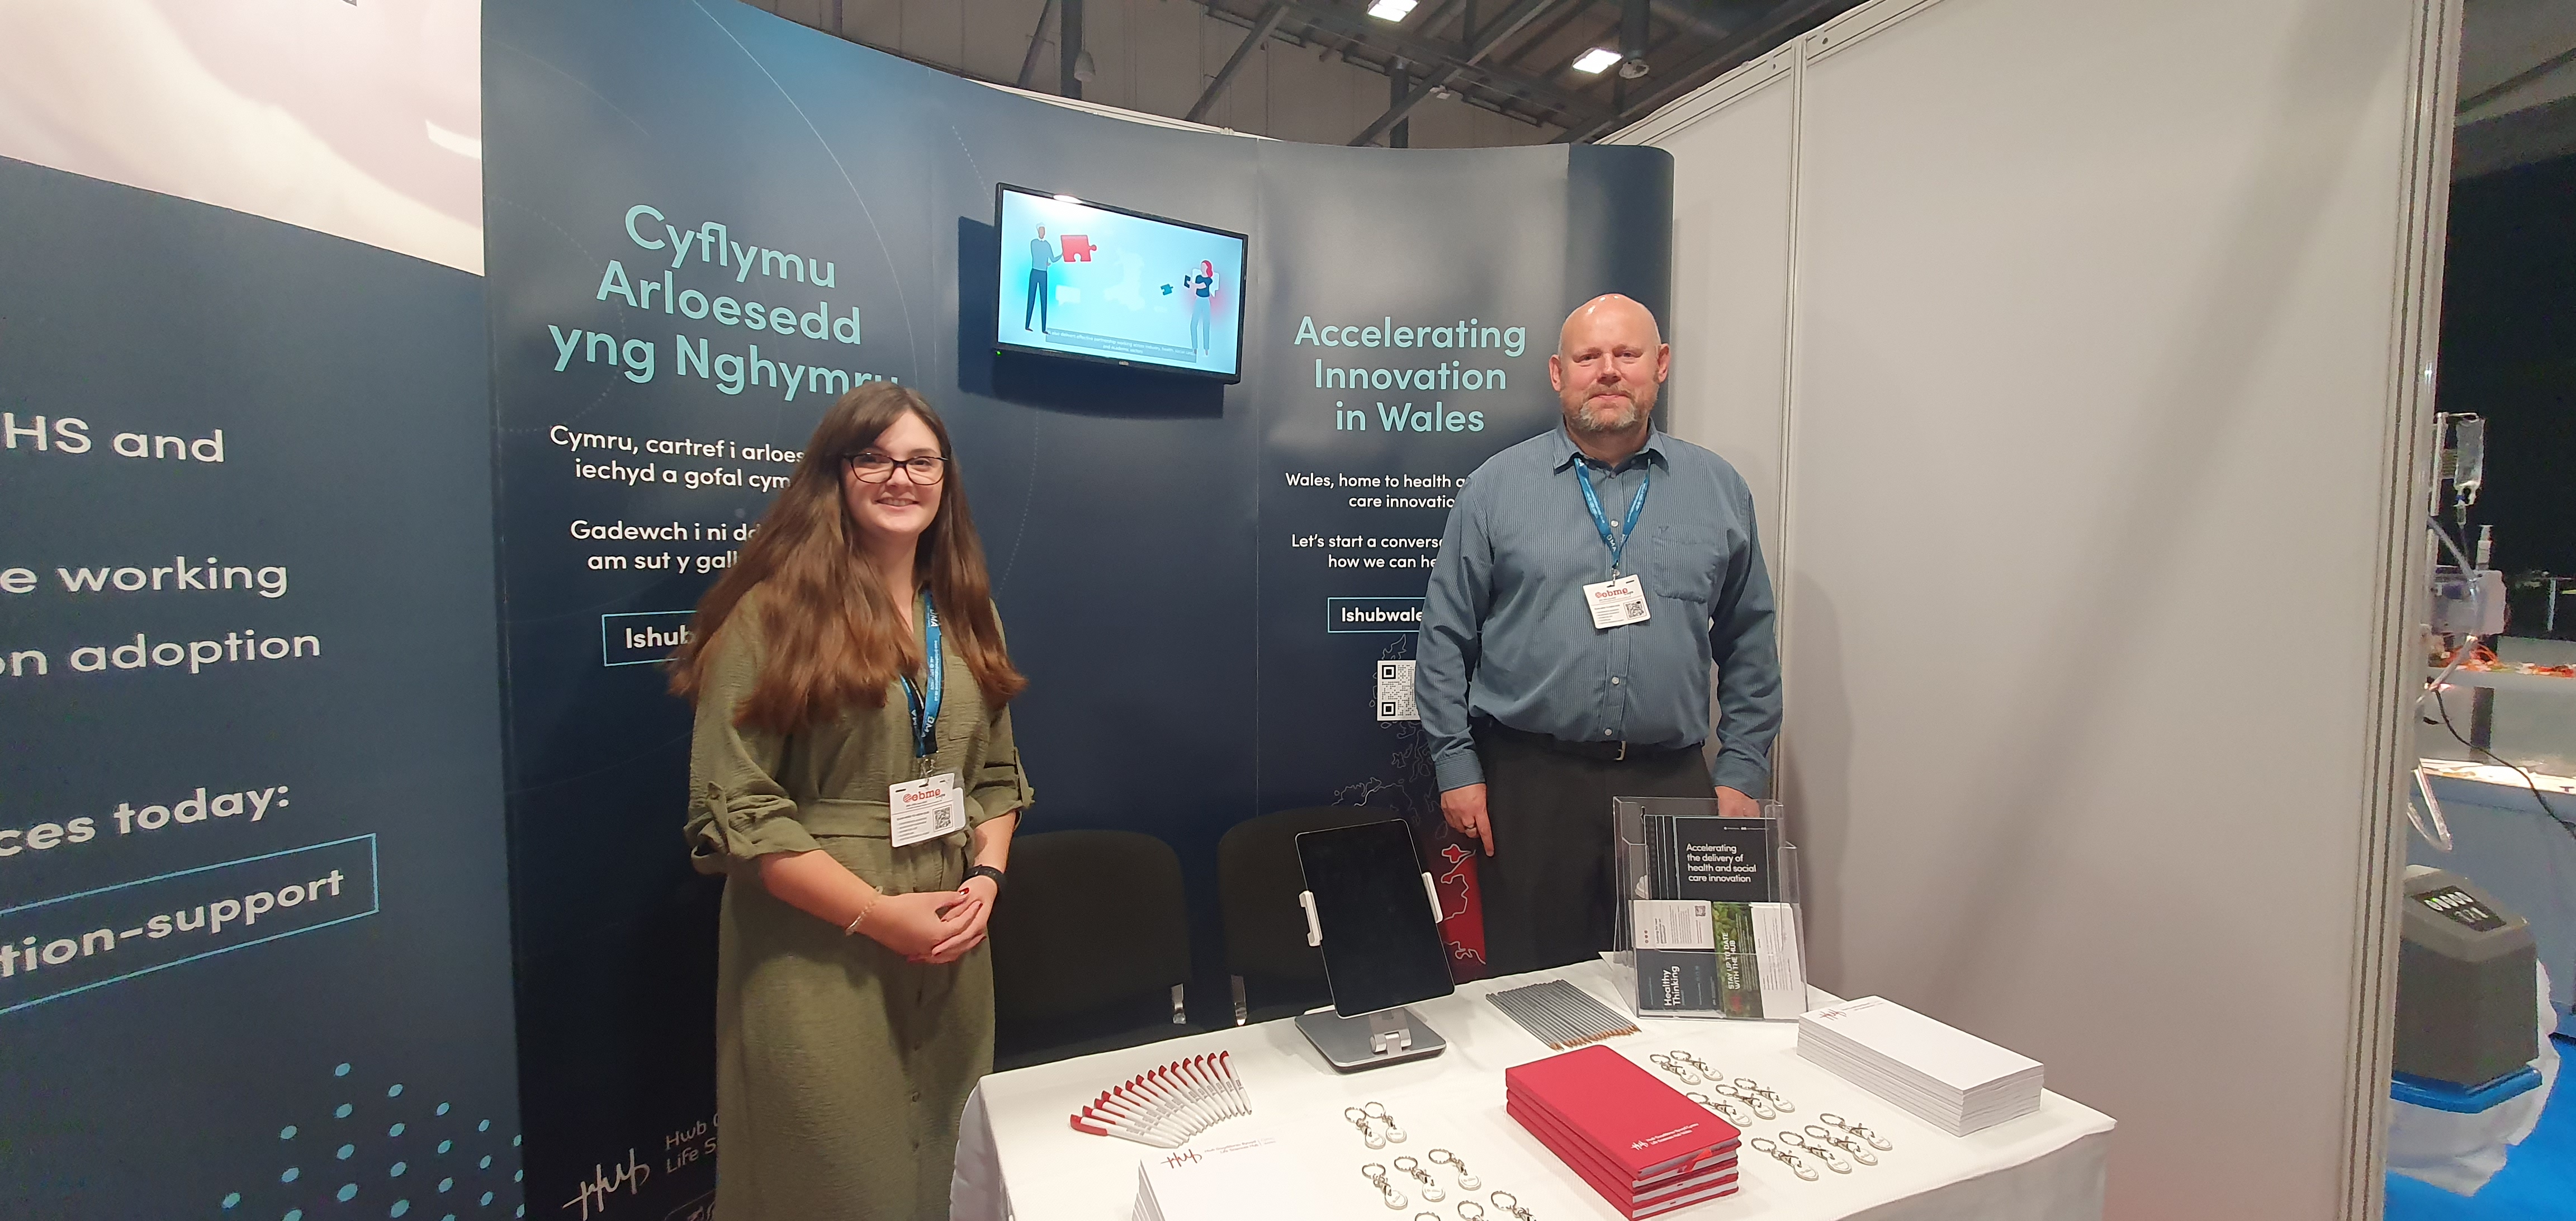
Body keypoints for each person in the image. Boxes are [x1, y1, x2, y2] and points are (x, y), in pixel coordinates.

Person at [669, 384, 1033, 1221]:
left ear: (946, 480)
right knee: (830, 1173)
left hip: (950, 933)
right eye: (873, 457)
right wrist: (875, 913)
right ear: (834, 473)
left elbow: (997, 776)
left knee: (946, 1164)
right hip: (816, 945)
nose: (898, 477)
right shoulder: (768, 615)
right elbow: (740, 809)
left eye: (920, 461)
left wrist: (986, 879)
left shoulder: (968, 617)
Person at [1414, 294, 1780, 977]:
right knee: (1537, 996)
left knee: (1683, 986)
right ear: (1559, 373)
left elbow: (1750, 639)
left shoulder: (1719, 490)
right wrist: (1457, 769)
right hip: (1531, 786)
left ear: (1660, 365)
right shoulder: (1495, 489)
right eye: (1589, 357)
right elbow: (1442, 640)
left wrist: (1742, 772)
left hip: (1673, 785)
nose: (1608, 371)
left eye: (1627, 354)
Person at [1024, 224, 1059, 333]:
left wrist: (1062, 254)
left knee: (1044, 300)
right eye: (1041, 230)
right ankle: (1027, 325)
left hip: (1044, 273)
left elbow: (1052, 259)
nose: (1042, 233)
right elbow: (1037, 255)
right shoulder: (1034, 243)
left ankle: (1044, 329)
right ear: (1038, 231)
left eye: (1044, 231)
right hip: (1035, 272)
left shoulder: (1047, 245)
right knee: (1031, 299)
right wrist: (1045, 261)